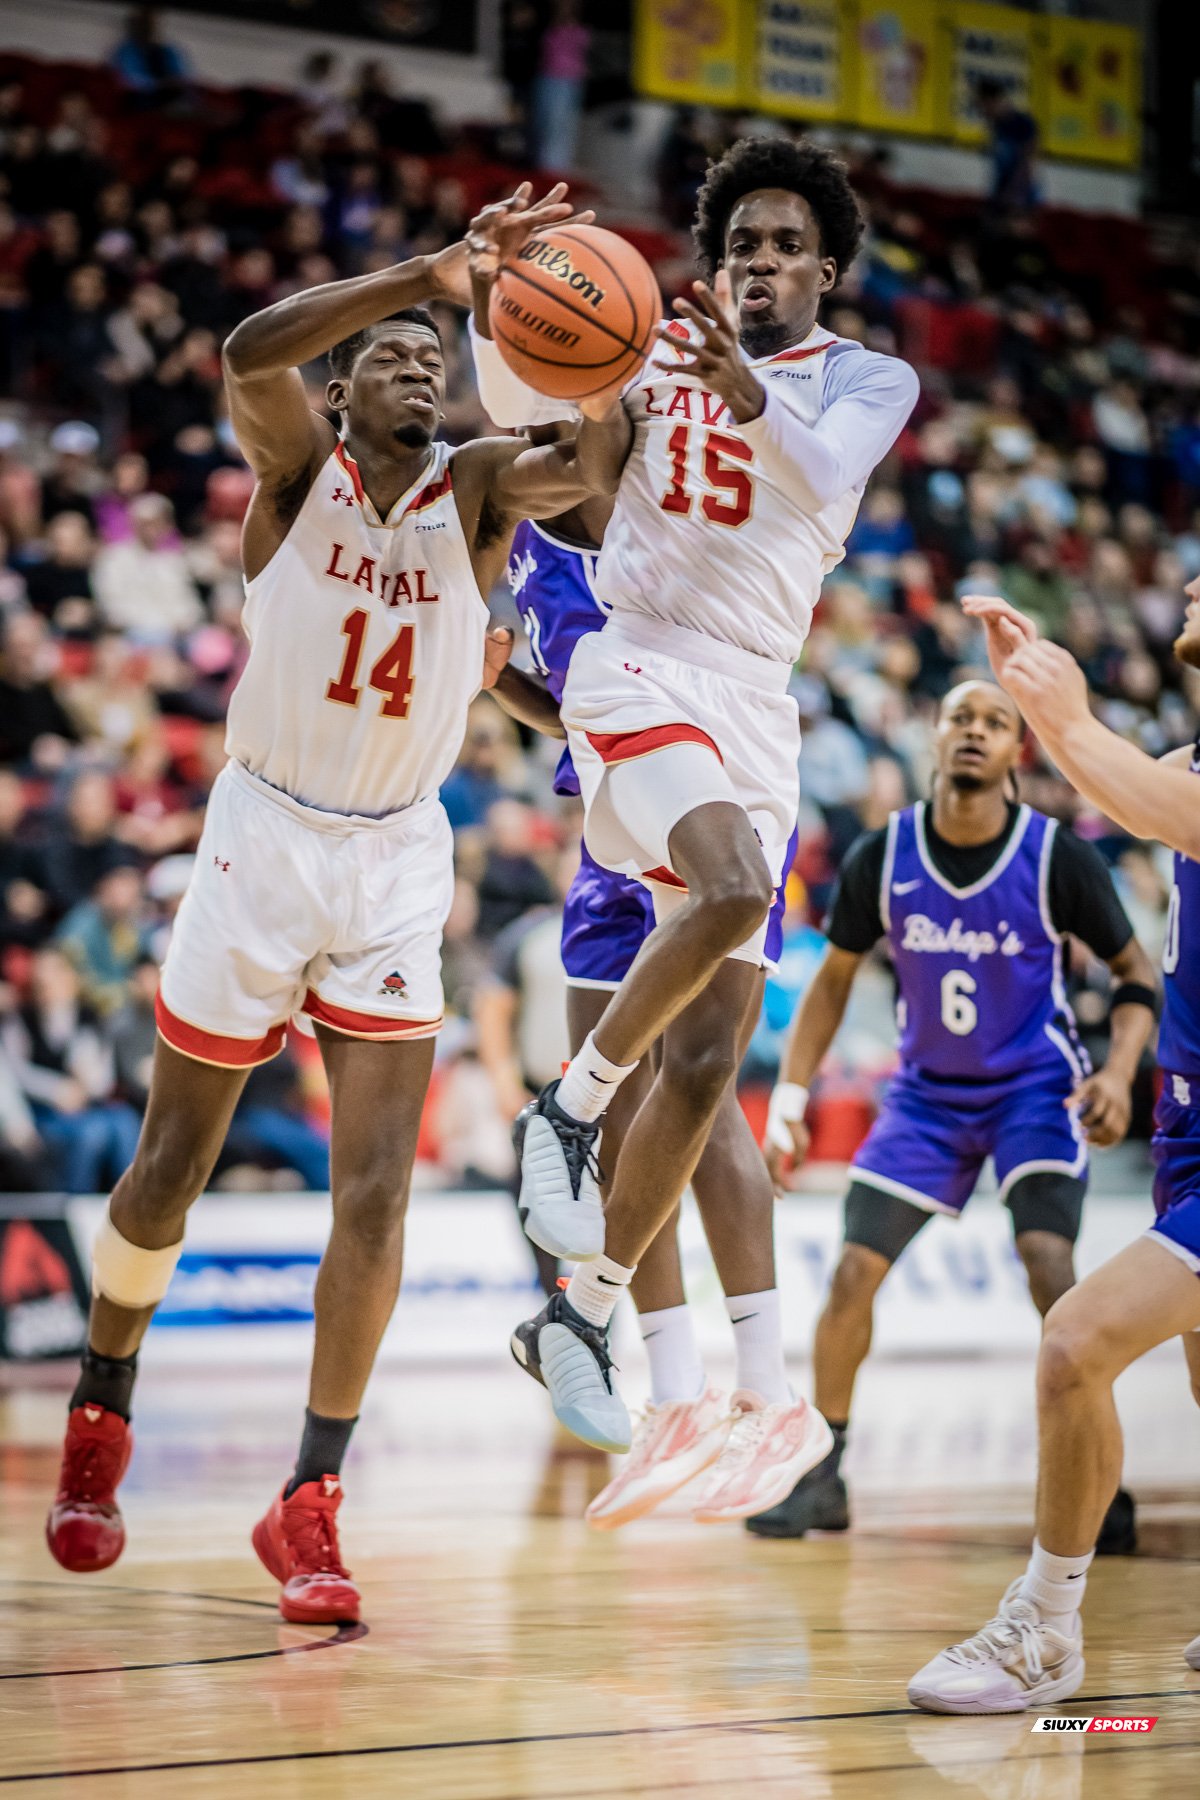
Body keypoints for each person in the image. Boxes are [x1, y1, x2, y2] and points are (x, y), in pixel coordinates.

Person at [43, 182, 628, 1627]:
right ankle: (102, 1405)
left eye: (438, 350)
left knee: (377, 1190)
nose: (420, 361)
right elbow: (250, 352)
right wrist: (423, 272)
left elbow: (593, 469)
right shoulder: (298, 469)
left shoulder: (479, 485)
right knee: (169, 1171)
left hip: (392, 860)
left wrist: (586, 348)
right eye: (394, 354)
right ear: (347, 385)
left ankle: (309, 1500)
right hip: (260, 837)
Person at [471, 139, 918, 1500]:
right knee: (722, 899)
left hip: (755, 710)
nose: (760, 263)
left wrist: (746, 395)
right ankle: (571, 1117)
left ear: (826, 267)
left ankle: (634, 1337)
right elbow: (553, 420)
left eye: (787, 245)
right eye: (741, 245)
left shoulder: (864, 378)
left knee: (715, 1059)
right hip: (638, 666)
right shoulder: (653, 347)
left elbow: (827, 472)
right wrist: (503, 303)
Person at [752, 679, 1156, 1551]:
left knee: (1049, 1262)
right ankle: (823, 1473)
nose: (975, 731)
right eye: (960, 718)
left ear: (1018, 751)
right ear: (932, 738)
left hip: (1033, 1090)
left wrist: (1121, 1074)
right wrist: (789, 1100)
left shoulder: (1057, 857)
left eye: (995, 722)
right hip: (928, 1097)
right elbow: (830, 984)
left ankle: (1098, 1481)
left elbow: (1137, 977)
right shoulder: (881, 855)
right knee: (852, 1274)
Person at [908, 583, 1200, 1712]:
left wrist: (1064, 721)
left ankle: (1046, 1629)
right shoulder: (1181, 752)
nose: (1181, 585)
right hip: (1187, 1119)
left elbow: (1162, 815)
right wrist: (1043, 697)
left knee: (1072, 1342)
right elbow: (1146, 794)